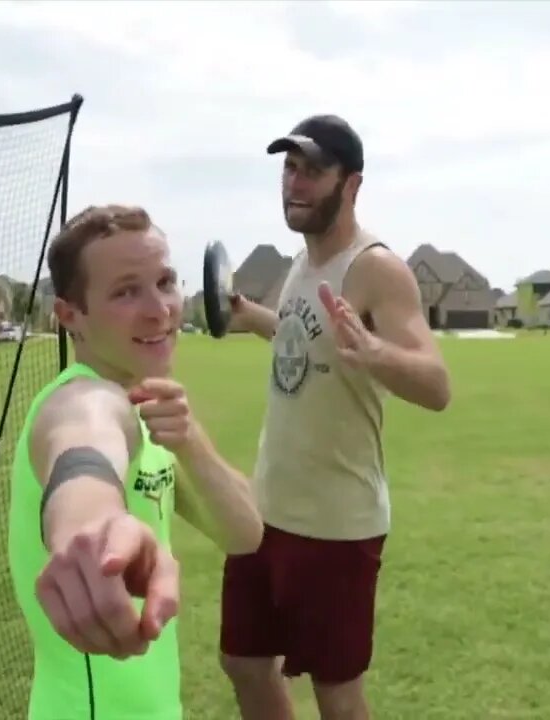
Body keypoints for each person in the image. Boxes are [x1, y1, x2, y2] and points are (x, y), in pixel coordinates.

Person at [219, 115, 452, 719]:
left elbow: (435, 383)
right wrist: (252, 319)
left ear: (351, 185)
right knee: (244, 663)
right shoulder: (302, 263)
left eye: (312, 171)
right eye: (289, 168)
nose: (294, 183)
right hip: (264, 511)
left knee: (337, 693)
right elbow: (306, 339)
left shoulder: (376, 268)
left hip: (336, 526)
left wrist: (376, 353)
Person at [7, 204, 264, 720]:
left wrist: (190, 442)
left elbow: (245, 534)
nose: (161, 309)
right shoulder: (78, 400)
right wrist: (94, 522)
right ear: (70, 316)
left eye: (165, 282)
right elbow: (84, 436)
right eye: (126, 291)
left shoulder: (151, 409)